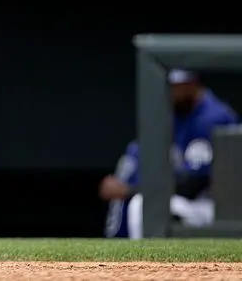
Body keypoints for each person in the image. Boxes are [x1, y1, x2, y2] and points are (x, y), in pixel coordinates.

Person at [101, 70, 238, 239]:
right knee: (138, 196)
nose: (171, 93)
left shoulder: (214, 117)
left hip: (212, 204)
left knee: (143, 204)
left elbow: (193, 185)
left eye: (176, 87)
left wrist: (130, 191)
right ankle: (127, 254)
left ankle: (147, 262)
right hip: (183, 201)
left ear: (192, 84)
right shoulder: (172, 113)